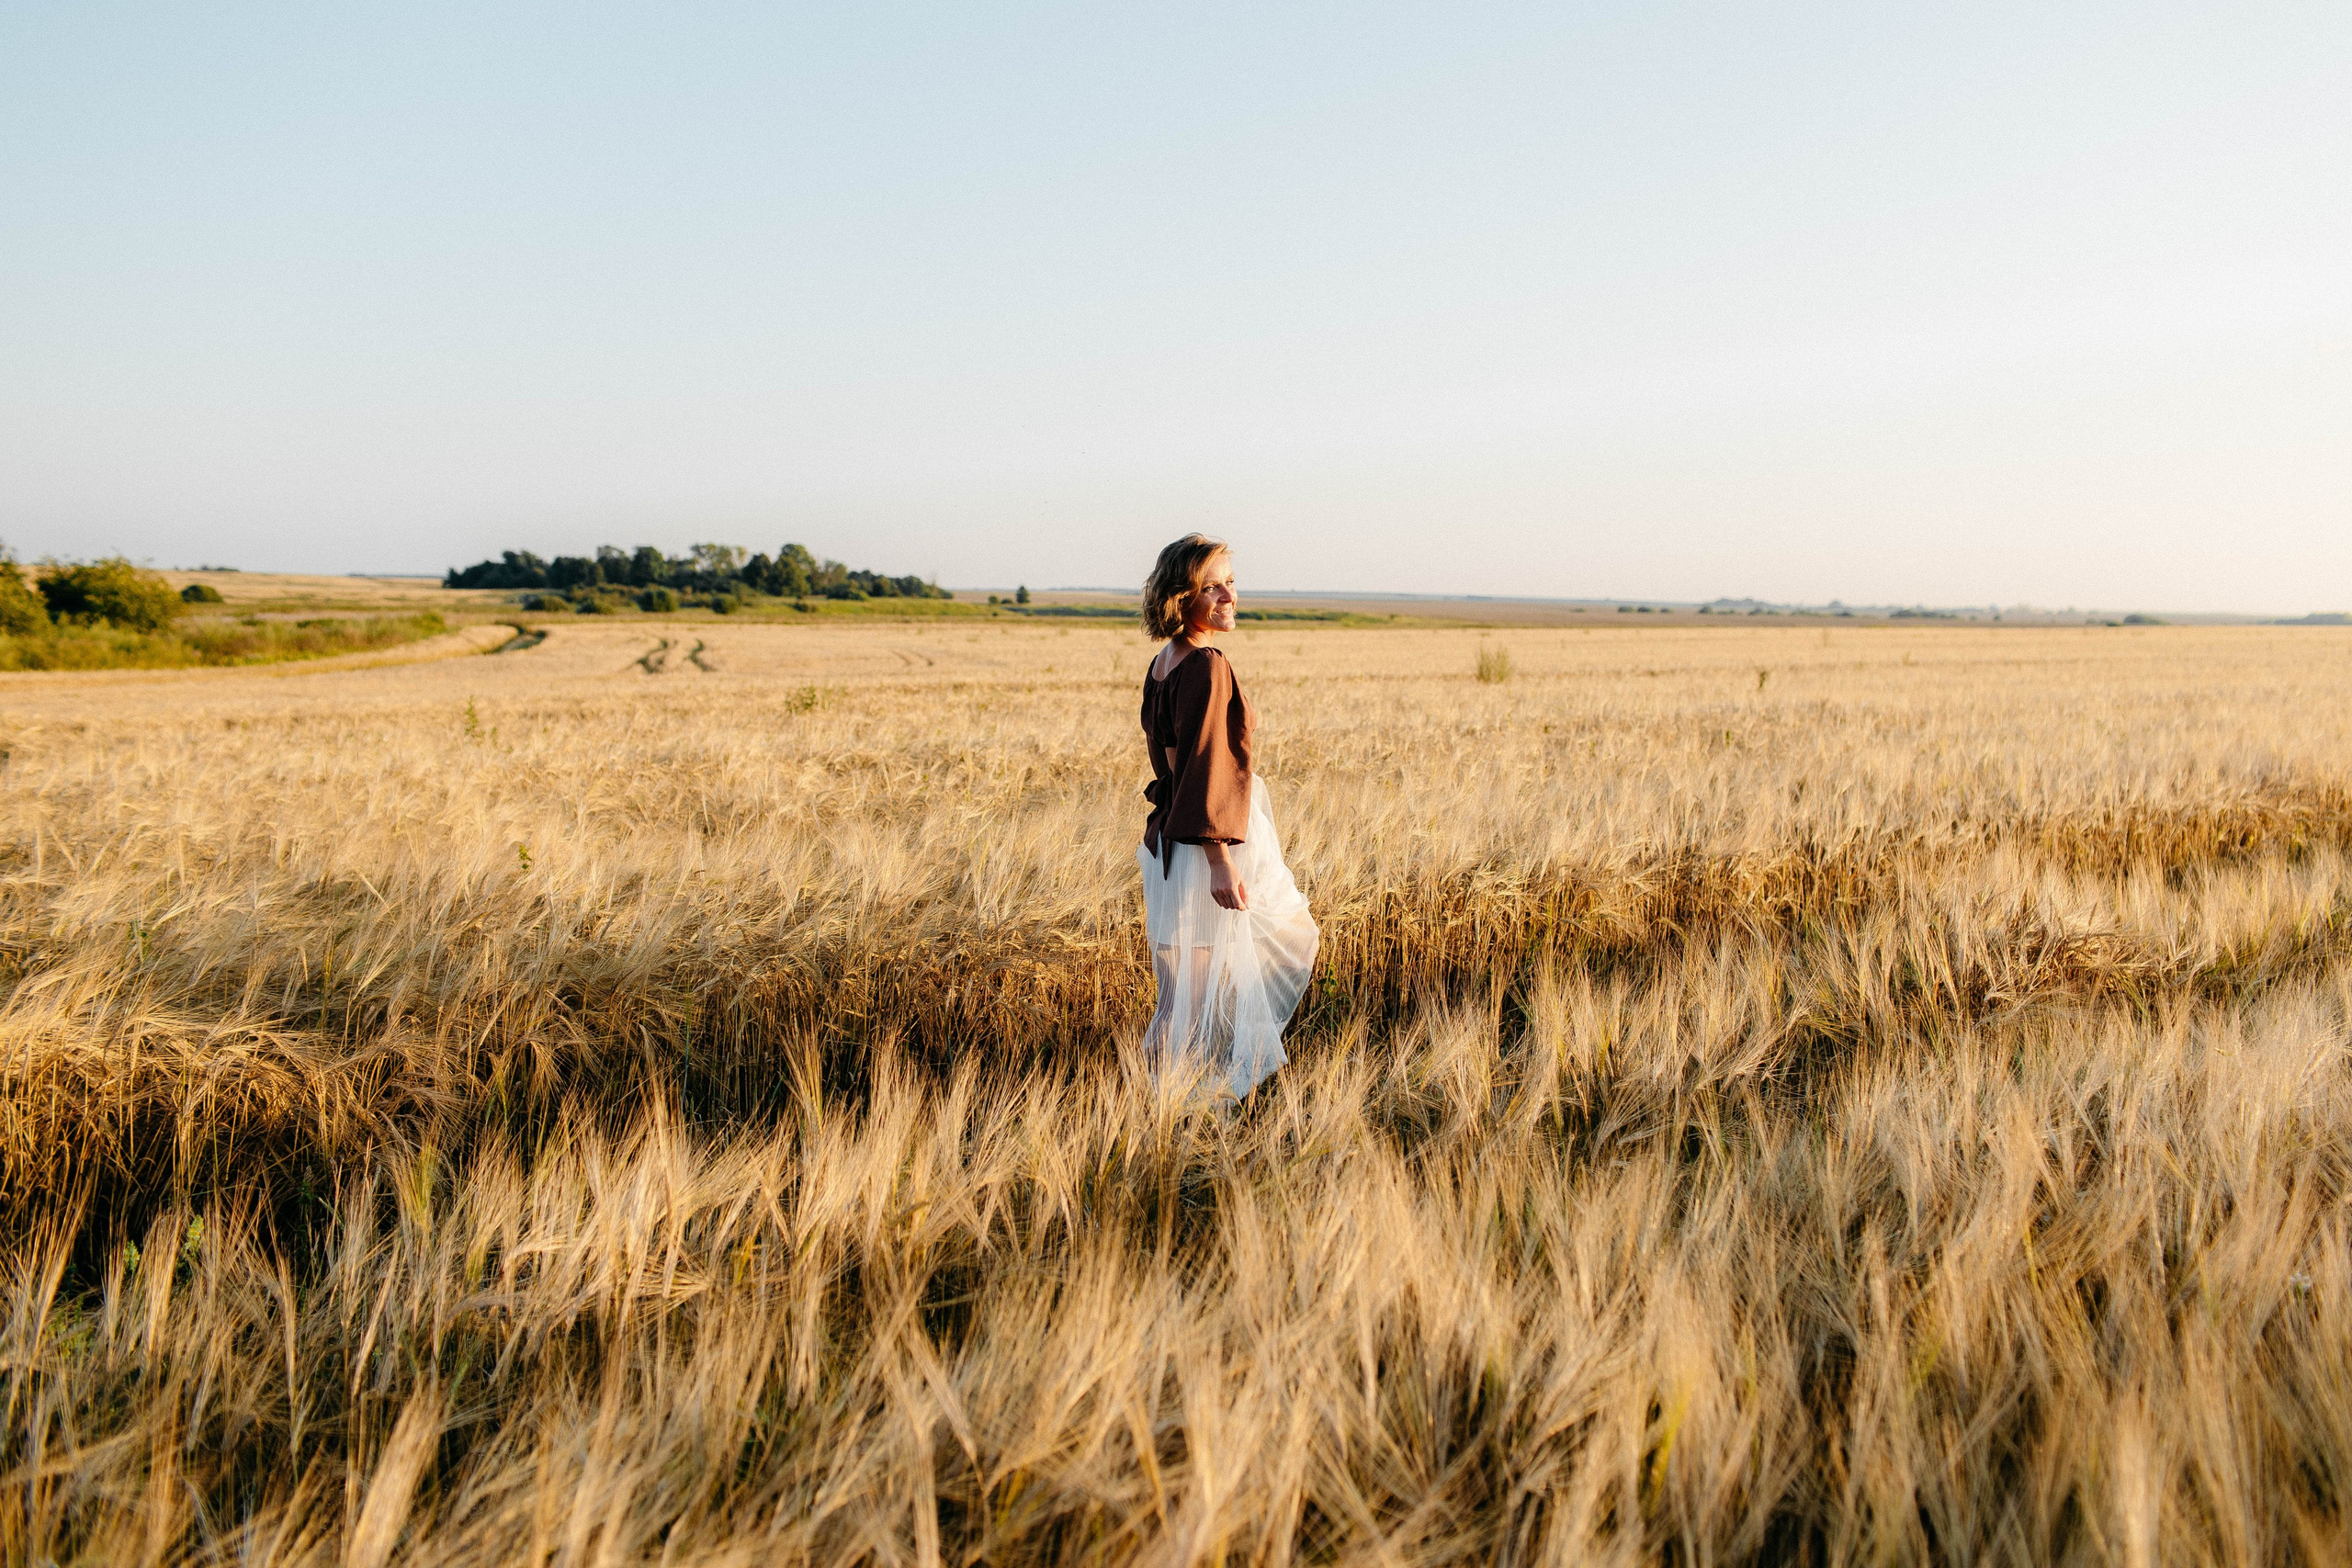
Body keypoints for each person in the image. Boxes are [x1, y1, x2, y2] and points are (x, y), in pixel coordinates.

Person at [1136, 534, 1319, 1098]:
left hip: (1170, 837)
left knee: (1179, 994)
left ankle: (1154, 1104)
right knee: (1274, 947)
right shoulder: (1207, 665)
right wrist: (1220, 862)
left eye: (1230, 583)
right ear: (1179, 596)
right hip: (1203, 842)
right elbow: (1205, 766)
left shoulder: (1165, 662)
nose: (1227, 596)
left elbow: (1172, 763)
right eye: (1210, 586)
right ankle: (1170, 1106)